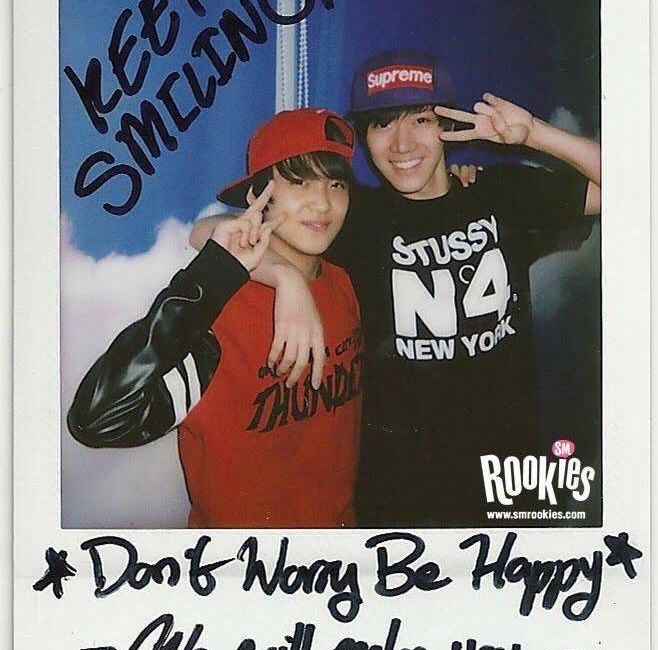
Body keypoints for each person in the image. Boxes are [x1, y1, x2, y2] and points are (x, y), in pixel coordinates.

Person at [190, 49, 601, 527]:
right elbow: (209, 232)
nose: (402, 143)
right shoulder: (356, 216)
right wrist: (285, 278)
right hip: (400, 490)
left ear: (447, 126)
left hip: (508, 474)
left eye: (421, 120)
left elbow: (636, 186)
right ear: (366, 137)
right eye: (382, 124)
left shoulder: (499, 193)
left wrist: (535, 134)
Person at [67, 108, 364, 529]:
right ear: (257, 195)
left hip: (341, 546)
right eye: (299, 181)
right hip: (243, 560)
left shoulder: (343, 284)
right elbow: (97, 419)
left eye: (336, 184)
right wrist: (237, 276)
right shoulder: (220, 308)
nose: (323, 203)